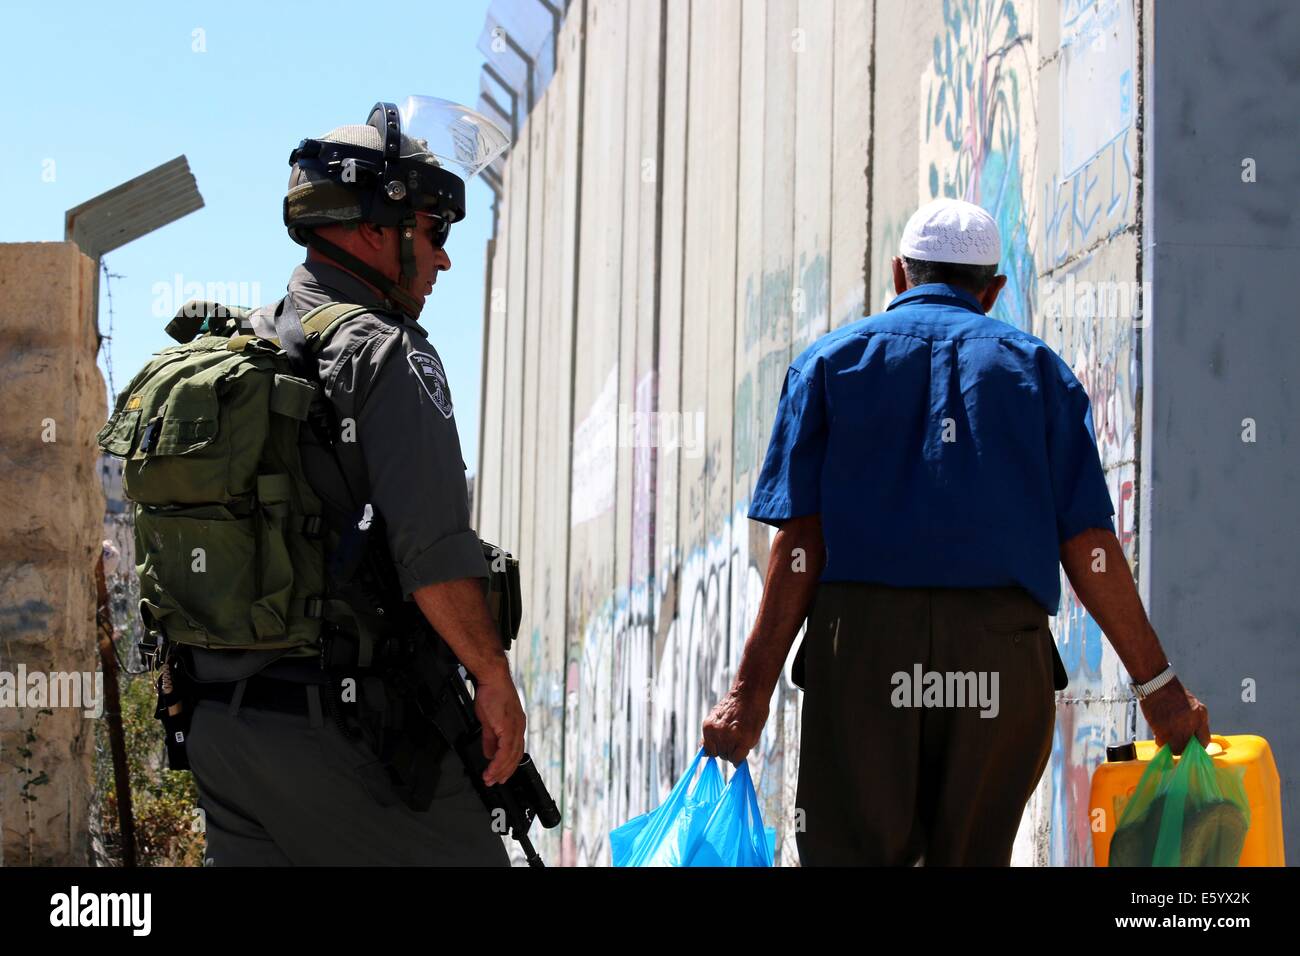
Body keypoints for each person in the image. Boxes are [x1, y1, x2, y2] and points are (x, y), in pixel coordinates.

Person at [700, 198, 1211, 866]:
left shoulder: (827, 365)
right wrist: (1158, 688)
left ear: (898, 275)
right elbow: (1089, 546)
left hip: (862, 656)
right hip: (999, 655)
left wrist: (749, 696)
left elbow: (799, 547)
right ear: (993, 291)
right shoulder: (1039, 373)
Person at [183, 99, 525, 865]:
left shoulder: (248, 346)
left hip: (221, 732)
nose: (442, 259)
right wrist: (493, 679)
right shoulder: (385, 352)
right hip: (345, 736)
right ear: (376, 227)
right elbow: (434, 551)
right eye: (435, 232)